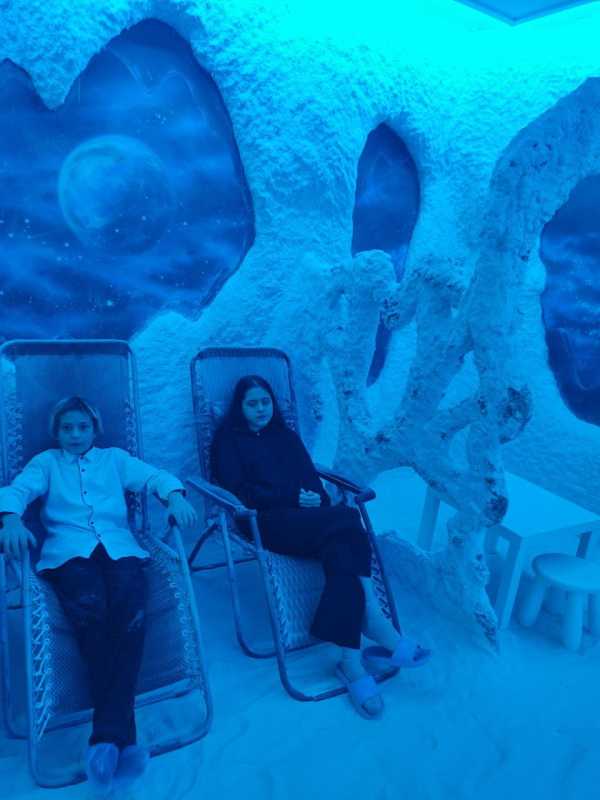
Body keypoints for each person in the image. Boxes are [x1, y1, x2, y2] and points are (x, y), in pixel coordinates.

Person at [0, 396, 197, 794]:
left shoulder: (114, 460)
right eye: (67, 428)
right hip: (69, 554)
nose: (75, 435)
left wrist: (174, 496)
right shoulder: (46, 463)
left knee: (131, 620)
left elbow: (154, 477)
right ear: (57, 432)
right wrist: (10, 520)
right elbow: (17, 490)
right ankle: (121, 740)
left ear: (95, 429)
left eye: (82, 427)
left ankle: (106, 740)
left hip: (120, 549)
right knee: (92, 620)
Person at [210, 375, 430, 720]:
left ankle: (350, 662)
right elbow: (238, 491)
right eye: (252, 404)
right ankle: (373, 619)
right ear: (240, 407)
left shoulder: (286, 436)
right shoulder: (228, 441)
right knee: (348, 519)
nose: (261, 409)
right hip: (263, 522)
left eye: (266, 402)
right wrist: (292, 497)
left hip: (307, 520)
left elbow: (310, 479)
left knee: (343, 546)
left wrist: (315, 496)